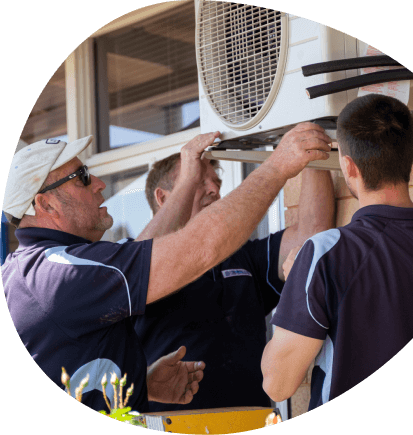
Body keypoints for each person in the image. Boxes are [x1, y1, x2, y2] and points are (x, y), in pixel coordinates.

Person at [1, 122, 331, 414]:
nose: (99, 183)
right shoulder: (63, 271)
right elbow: (202, 246)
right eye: (82, 177)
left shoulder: (33, 269)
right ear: (45, 204)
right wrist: (277, 167)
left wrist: (139, 385)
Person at [260, 90, 413, 409]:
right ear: (408, 157)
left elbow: (277, 385)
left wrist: (296, 287)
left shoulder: (325, 254)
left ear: (348, 167)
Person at [132, 147, 335, 411]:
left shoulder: (243, 257)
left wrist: (310, 147)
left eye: (216, 182)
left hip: (250, 420)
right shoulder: (135, 270)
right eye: (198, 181)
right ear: (163, 197)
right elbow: (140, 263)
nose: (214, 190)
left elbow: (312, 236)